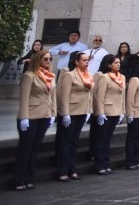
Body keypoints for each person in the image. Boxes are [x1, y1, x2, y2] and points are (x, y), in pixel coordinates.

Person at [14, 51, 56, 190]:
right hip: (30, 115)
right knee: (25, 148)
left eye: (50, 58)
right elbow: (24, 98)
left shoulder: (51, 76)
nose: (48, 61)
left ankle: (29, 177)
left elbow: (52, 97)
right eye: (45, 58)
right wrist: (24, 117)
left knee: (35, 148)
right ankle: (19, 179)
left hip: (44, 115)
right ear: (38, 59)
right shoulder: (29, 76)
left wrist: (53, 114)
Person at [55, 51, 93, 182]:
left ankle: (72, 168)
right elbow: (64, 95)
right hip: (70, 111)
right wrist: (65, 113)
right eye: (84, 60)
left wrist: (89, 110)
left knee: (74, 141)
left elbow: (89, 95)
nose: (87, 62)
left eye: (88, 60)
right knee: (65, 141)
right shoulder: (69, 75)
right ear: (76, 62)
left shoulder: (88, 75)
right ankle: (62, 170)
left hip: (82, 111)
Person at [91, 54, 126, 175]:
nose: (118, 64)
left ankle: (106, 163)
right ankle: (99, 164)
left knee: (108, 139)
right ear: (109, 64)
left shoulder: (122, 77)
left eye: (119, 63)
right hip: (106, 111)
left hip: (115, 111)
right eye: (115, 63)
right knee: (101, 139)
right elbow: (99, 96)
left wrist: (122, 111)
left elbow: (122, 97)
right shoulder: (105, 77)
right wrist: (100, 112)